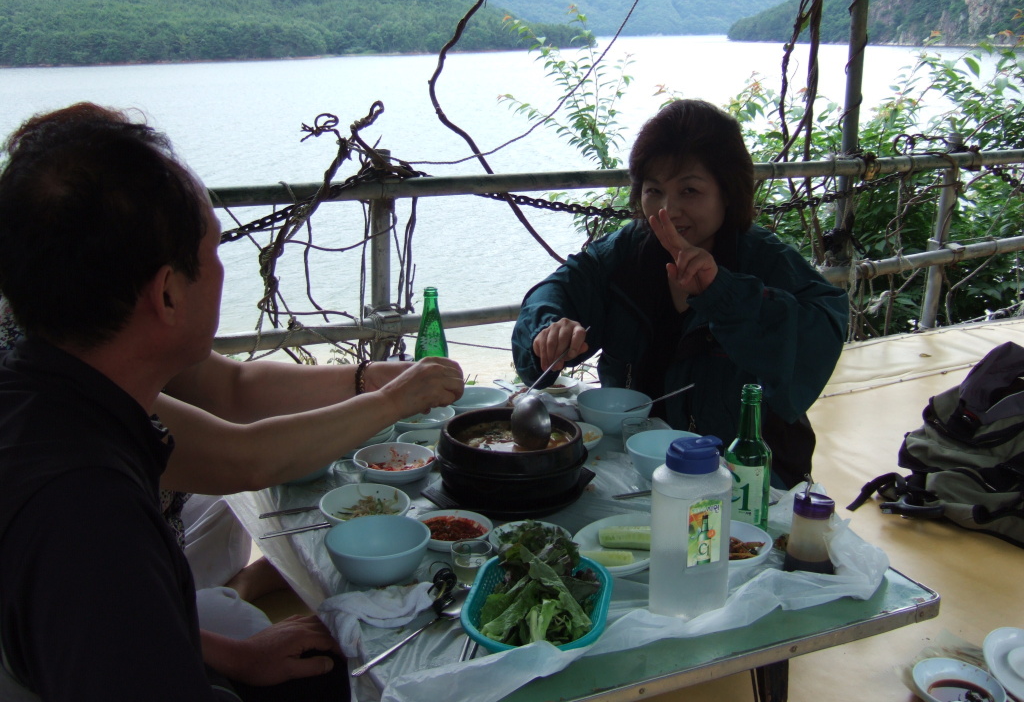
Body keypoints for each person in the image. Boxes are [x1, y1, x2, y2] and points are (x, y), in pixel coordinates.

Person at [0, 103, 461, 701]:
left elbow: (235, 393)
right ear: (166, 294)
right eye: (213, 250)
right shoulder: (89, 516)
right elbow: (245, 456)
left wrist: (234, 654)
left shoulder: (43, 395)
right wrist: (395, 398)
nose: (221, 269)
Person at [512, 99, 849, 488]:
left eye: (689, 190)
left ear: (728, 192)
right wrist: (548, 330)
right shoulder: (627, 253)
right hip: (635, 466)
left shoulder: (765, 261)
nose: (668, 211)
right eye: (654, 190)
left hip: (747, 480)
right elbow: (555, 291)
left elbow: (823, 327)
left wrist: (724, 293)